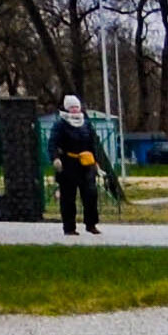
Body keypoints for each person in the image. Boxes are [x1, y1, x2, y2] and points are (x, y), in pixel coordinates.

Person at [50, 95, 106, 234]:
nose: (75, 110)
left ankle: (91, 224)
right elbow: (52, 144)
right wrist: (56, 158)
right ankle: (69, 228)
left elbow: (93, 144)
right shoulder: (60, 125)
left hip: (86, 165)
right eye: (72, 107)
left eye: (76, 107)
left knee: (91, 195)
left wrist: (96, 162)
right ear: (67, 109)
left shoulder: (86, 124)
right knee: (68, 198)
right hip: (68, 165)